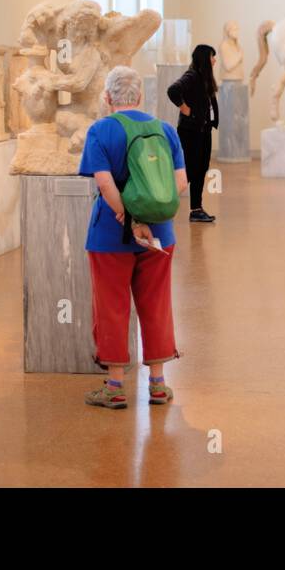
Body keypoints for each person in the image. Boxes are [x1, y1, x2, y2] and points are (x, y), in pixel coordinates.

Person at [80, 67, 187, 408]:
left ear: (108, 97)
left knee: (111, 305)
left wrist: (129, 219)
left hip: (110, 236)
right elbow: (180, 183)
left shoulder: (100, 130)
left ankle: (114, 386)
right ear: (141, 96)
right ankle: (157, 383)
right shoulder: (165, 130)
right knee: (156, 303)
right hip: (160, 235)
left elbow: (104, 183)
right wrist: (147, 218)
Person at [167, 44, 219, 223]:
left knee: (200, 170)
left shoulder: (204, 78)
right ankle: (163, 202)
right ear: (204, 58)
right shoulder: (192, 76)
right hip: (191, 132)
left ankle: (196, 209)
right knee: (189, 170)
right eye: (212, 56)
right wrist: (185, 108)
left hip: (204, 130)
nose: (214, 60)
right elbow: (173, 90)